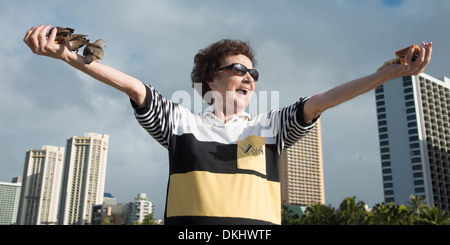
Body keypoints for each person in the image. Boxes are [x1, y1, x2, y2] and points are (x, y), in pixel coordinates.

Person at [23, 24, 432, 225]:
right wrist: (67, 56)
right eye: (237, 69)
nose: (249, 77)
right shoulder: (180, 123)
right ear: (210, 80)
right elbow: (133, 87)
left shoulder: (269, 129)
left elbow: (325, 99)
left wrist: (386, 75)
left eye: (253, 72)